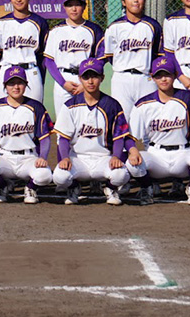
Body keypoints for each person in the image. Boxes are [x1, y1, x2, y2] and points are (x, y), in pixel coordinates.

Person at [52, 58, 138, 206]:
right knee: (59, 176)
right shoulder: (70, 105)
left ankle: (111, 189)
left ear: (102, 78)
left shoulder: (112, 105)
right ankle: (74, 188)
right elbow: (64, 138)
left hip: (103, 158)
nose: (90, 81)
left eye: (95, 76)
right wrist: (65, 157)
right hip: (78, 159)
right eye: (86, 77)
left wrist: (116, 156)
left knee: (121, 174)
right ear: (80, 79)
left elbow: (119, 137)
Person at [130, 56, 190, 206]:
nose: (163, 79)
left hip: (182, 153)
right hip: (156, 156)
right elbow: (130, 137)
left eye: (167, 74)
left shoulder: (188, 98)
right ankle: (147, 188)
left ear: (175, 75)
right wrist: (133, 150)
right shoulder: (142, 104)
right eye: (159, 75)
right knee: (131, 164)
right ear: (152, 77)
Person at [0, 65, 53, 204]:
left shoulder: (36, 107)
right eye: (11, 83)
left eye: (20, 83)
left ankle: (30, 188)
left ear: (26, 85)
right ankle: (2, 186)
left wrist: (43, 157)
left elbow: (44, 138)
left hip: (28, 158)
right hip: (5, 157)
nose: (16, 87)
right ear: (5, 86)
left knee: (45, 176)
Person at [102, 0, 163, 125]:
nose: (135, 0)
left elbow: (157, 54)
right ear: (123, 2)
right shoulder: (114, 27)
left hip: (146, 78)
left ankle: (152, 148)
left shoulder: (153, 26)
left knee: (151, 122)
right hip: (121, 79)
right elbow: (110, 56)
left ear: (144, 0)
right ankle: (123, 149)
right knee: (122, 123)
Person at [43, 0, 104, 117]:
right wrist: (63, 83)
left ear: (84, 6)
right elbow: (48, 60)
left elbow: (101, 59)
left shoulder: (94, 30)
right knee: (62, 123)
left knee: (87, 122)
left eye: (78, 4)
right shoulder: (56, 30)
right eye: (70, 5)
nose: (74, 9)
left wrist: (87, 82)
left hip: (87, 79)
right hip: (63, 78)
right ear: (64, 7)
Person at [0, 0, 48, 102]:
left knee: (33, 111)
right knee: (5, 112)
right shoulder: (1, 23)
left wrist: (40, 78)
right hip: (7, 69)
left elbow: (42, 56)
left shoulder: (39, 23)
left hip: (30, 71)